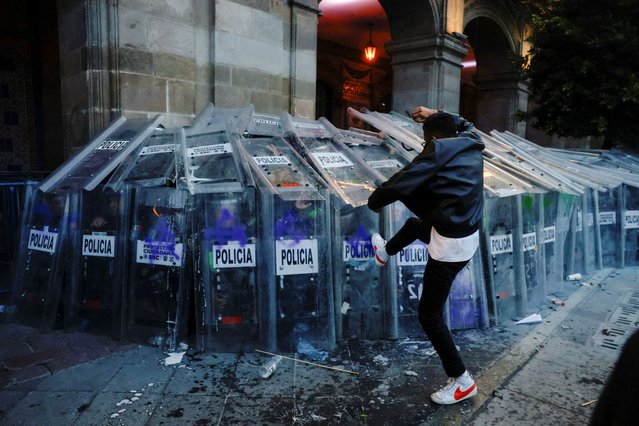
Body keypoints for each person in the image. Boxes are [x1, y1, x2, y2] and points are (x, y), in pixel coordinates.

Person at [367, 106, 485, 405]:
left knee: (429, 316)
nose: (424, 146)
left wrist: (375, 200)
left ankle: (462, 380)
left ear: (432, 138)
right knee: (414, 226)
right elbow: (467, 122)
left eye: (424, 141)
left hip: (450, 246)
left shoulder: (436, 150)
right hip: (464, 229)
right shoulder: (471, 141)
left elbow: (405, 178)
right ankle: (385, 251)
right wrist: (437, 112)